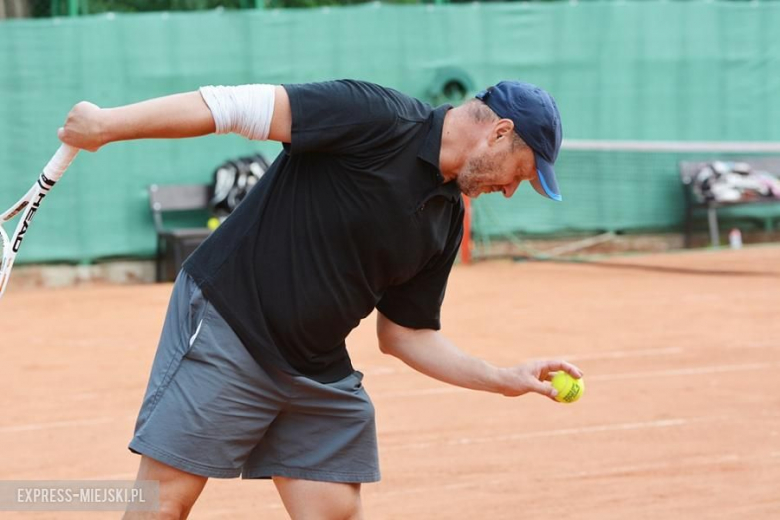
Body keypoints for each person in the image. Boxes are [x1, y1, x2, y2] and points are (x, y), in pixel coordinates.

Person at [59, 79, 583, 520]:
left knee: (334, 509)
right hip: (232, 322)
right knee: (164, 501)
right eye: (523, 172)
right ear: (500, 133)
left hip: (314, 369)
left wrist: (504, 378)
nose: (513, 190)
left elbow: (404, 335)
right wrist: (107, 126)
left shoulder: (445, 218)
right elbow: (233, 106)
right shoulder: (377, 117)